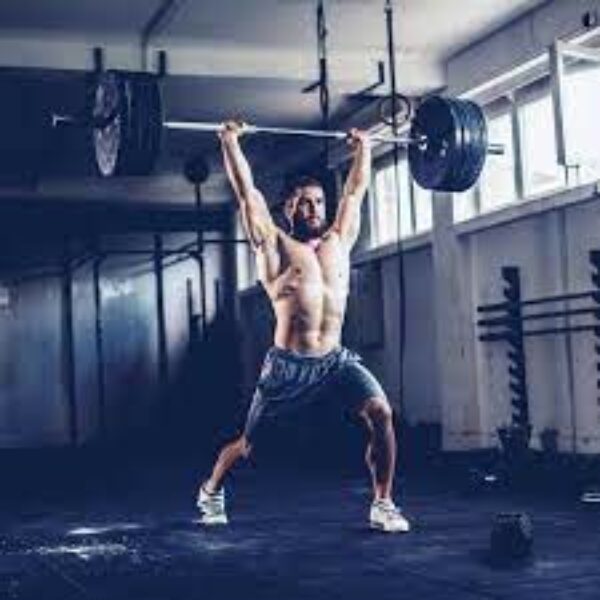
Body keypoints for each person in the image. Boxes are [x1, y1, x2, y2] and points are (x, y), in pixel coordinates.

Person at [196, 121, 410, 533]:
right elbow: (247, 194)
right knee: (250, 447)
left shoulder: (338, 243)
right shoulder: (274, 246)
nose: (314, 209)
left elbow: (354, 192)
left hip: (335, 361)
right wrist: (230, 142)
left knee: (381, 413)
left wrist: (364, 148)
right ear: (288, 209)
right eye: (304, 203)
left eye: (318, 201)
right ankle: (211, 490)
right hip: (288, 366)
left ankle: (383, 503)